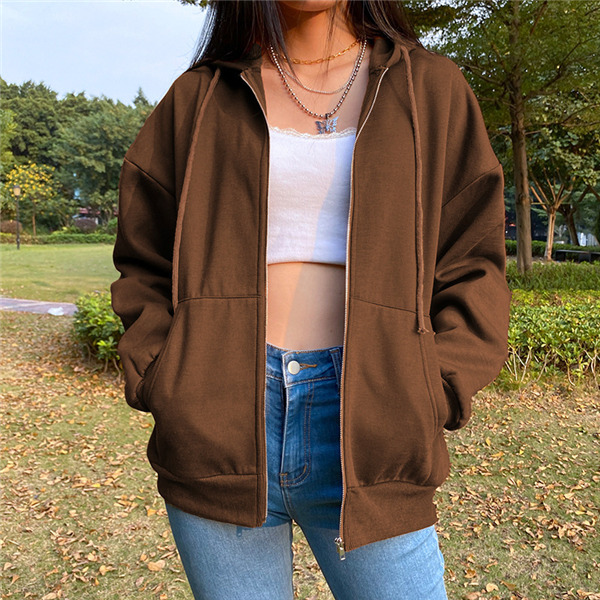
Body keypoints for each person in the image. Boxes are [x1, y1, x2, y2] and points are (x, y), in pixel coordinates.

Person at [110, 0, 511, 598]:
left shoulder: (430, 88)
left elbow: (473, 259)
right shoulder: (200, 97)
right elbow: (144, 256)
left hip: (376, 422)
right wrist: (166, 377)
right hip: (215, 421)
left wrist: (433, 386)